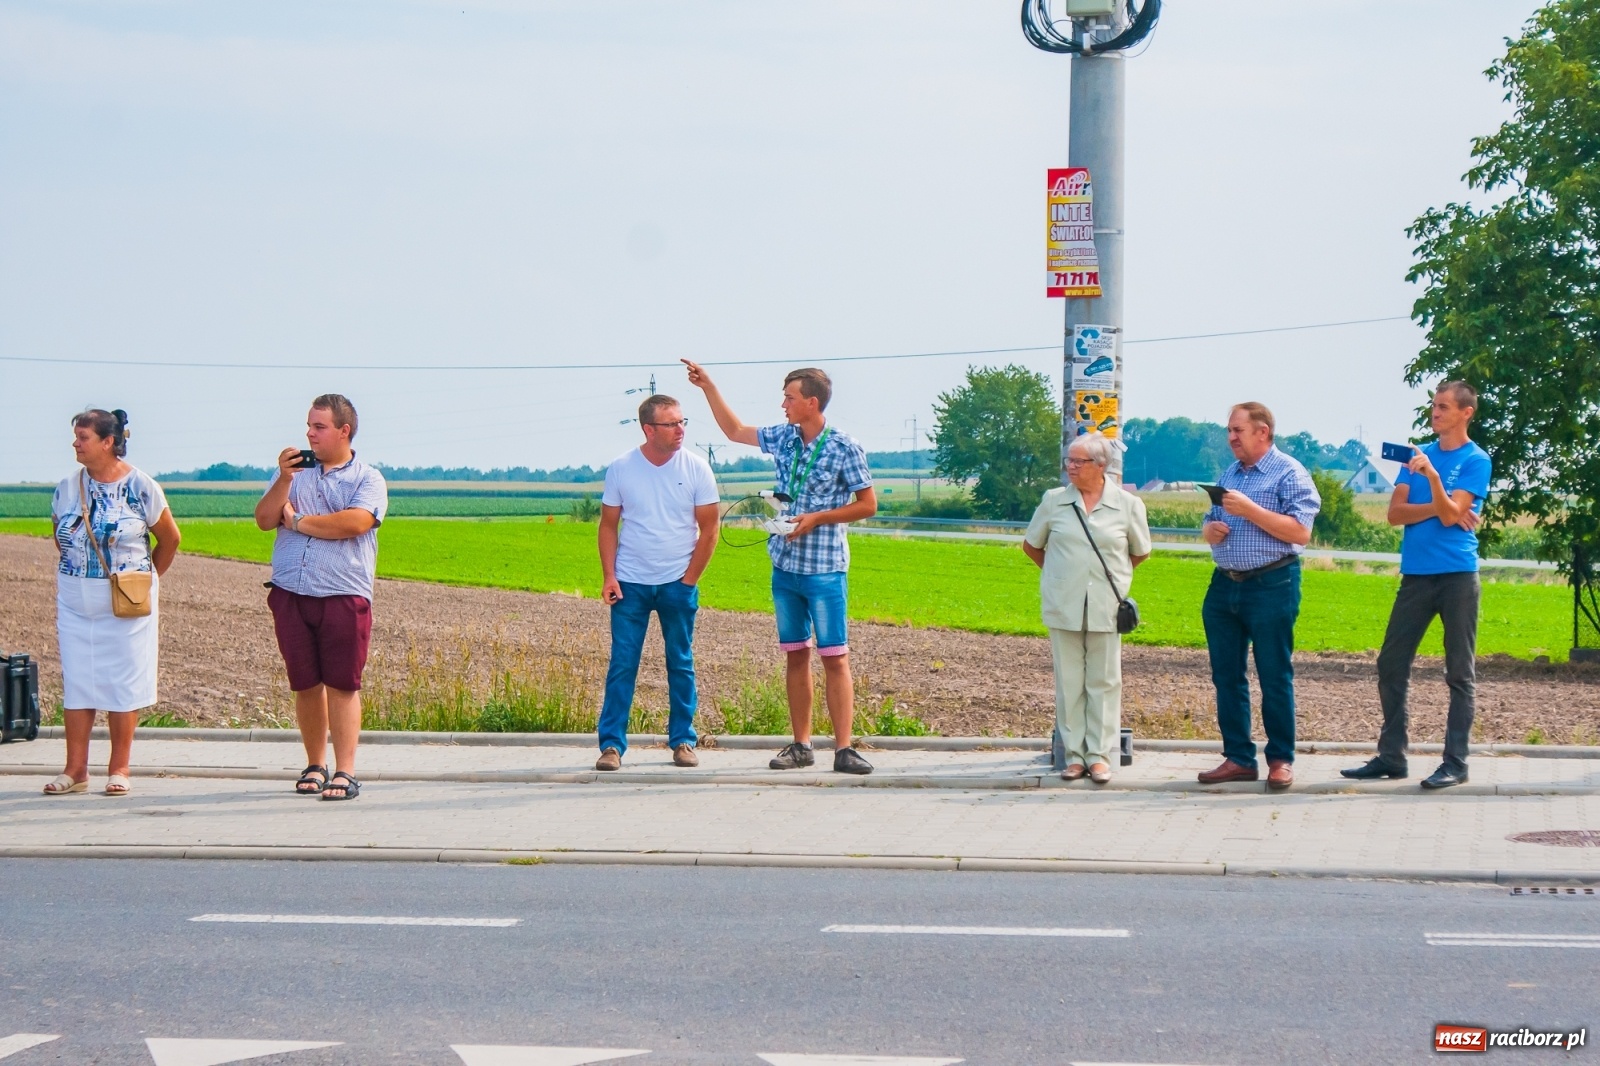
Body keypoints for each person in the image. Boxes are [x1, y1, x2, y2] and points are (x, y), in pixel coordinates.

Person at [683, 360, 878, 774]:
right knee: (795, 655)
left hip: (824, 569)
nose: (783, 404)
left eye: (789, 397)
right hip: (784, 567)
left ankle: (844, 749)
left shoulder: (845, 446)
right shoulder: (784, 438)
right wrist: (708, 387)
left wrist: (816, 518)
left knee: (834, 656)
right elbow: (735, 431)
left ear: (811, 402)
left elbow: (868, 505)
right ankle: (801, 745)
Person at [1343, 382, 1491, 790]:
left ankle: (1455, 763)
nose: (1435, 412)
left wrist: (1436, 485)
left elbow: (1451, 517)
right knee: (1391, 662)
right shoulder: (1415, 455)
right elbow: (1395, 514)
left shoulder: (1476, 460)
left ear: (1466, 413)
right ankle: (1392, 757)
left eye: (1443, 406)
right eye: (1433, 406)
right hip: (1417, 576)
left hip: (1458, 576)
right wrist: (1441, 506)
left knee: (1459, 672)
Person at [253, 394, 388, 801]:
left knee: (342, 685)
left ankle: (345, 771)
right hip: (291, 592)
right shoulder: (294, 475)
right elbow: (263, 519)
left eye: (319, 427)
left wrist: (296, 521)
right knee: (306, 683)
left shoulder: (367, 479)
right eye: (309, 426)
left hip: (342, 594)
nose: (309, 434)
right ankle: (315, 764)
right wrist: (283, 480)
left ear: (344, 431)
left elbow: (354, 523)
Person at [45, 409, 181, 797]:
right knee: (78, 682)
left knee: (124, 683)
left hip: (126, 605)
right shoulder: (67, 487)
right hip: (75, 602)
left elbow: (170, 539)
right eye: (75, 436)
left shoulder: (142, 486)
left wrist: (143, 581)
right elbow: (62, 536)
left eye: (83, 436)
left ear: (108, 441)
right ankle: (76, 770)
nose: (75, 442)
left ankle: (119, 767)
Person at [1197, 402, 1321, 791]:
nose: (1231, 438)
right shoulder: (1230, 473)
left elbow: (1300, 532)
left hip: (1271, 584)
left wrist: (1250, 510)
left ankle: (1281, 759)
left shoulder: (1290, 473)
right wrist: (1211, 530)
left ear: (1263, 431)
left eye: (1238, 430)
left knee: (1273, 674)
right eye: (1229, 431)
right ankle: (1238, 758)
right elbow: (1209, 518)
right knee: (1226, 676)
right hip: (1224, 584)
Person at [594, 395, 720, 771]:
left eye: (683, 422)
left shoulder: (697, 468)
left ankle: (683, 741)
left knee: (680, 663)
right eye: (672, 424)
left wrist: (689, 580)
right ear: (649, 429)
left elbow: (711, 527)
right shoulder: (621, 468)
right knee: (622, 664)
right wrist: (609, 575)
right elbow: (608, 525)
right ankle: (612, 746)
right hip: (630, 584)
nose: (681, 430)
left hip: (676, 583)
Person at [1023, 432, 1151, 784]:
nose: (1070, 467)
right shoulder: (1053, 501)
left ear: (1101, 467)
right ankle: (1075, 756)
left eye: (1079, 462)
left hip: (1107, 606)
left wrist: (1111, 578)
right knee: (1069, 682)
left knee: (1105, 681)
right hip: (1063, 604)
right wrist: (1061, 576)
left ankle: (1099, 756)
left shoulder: (1128, 505)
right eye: (1069, 461)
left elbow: (1140, 551)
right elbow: (1032, 546)